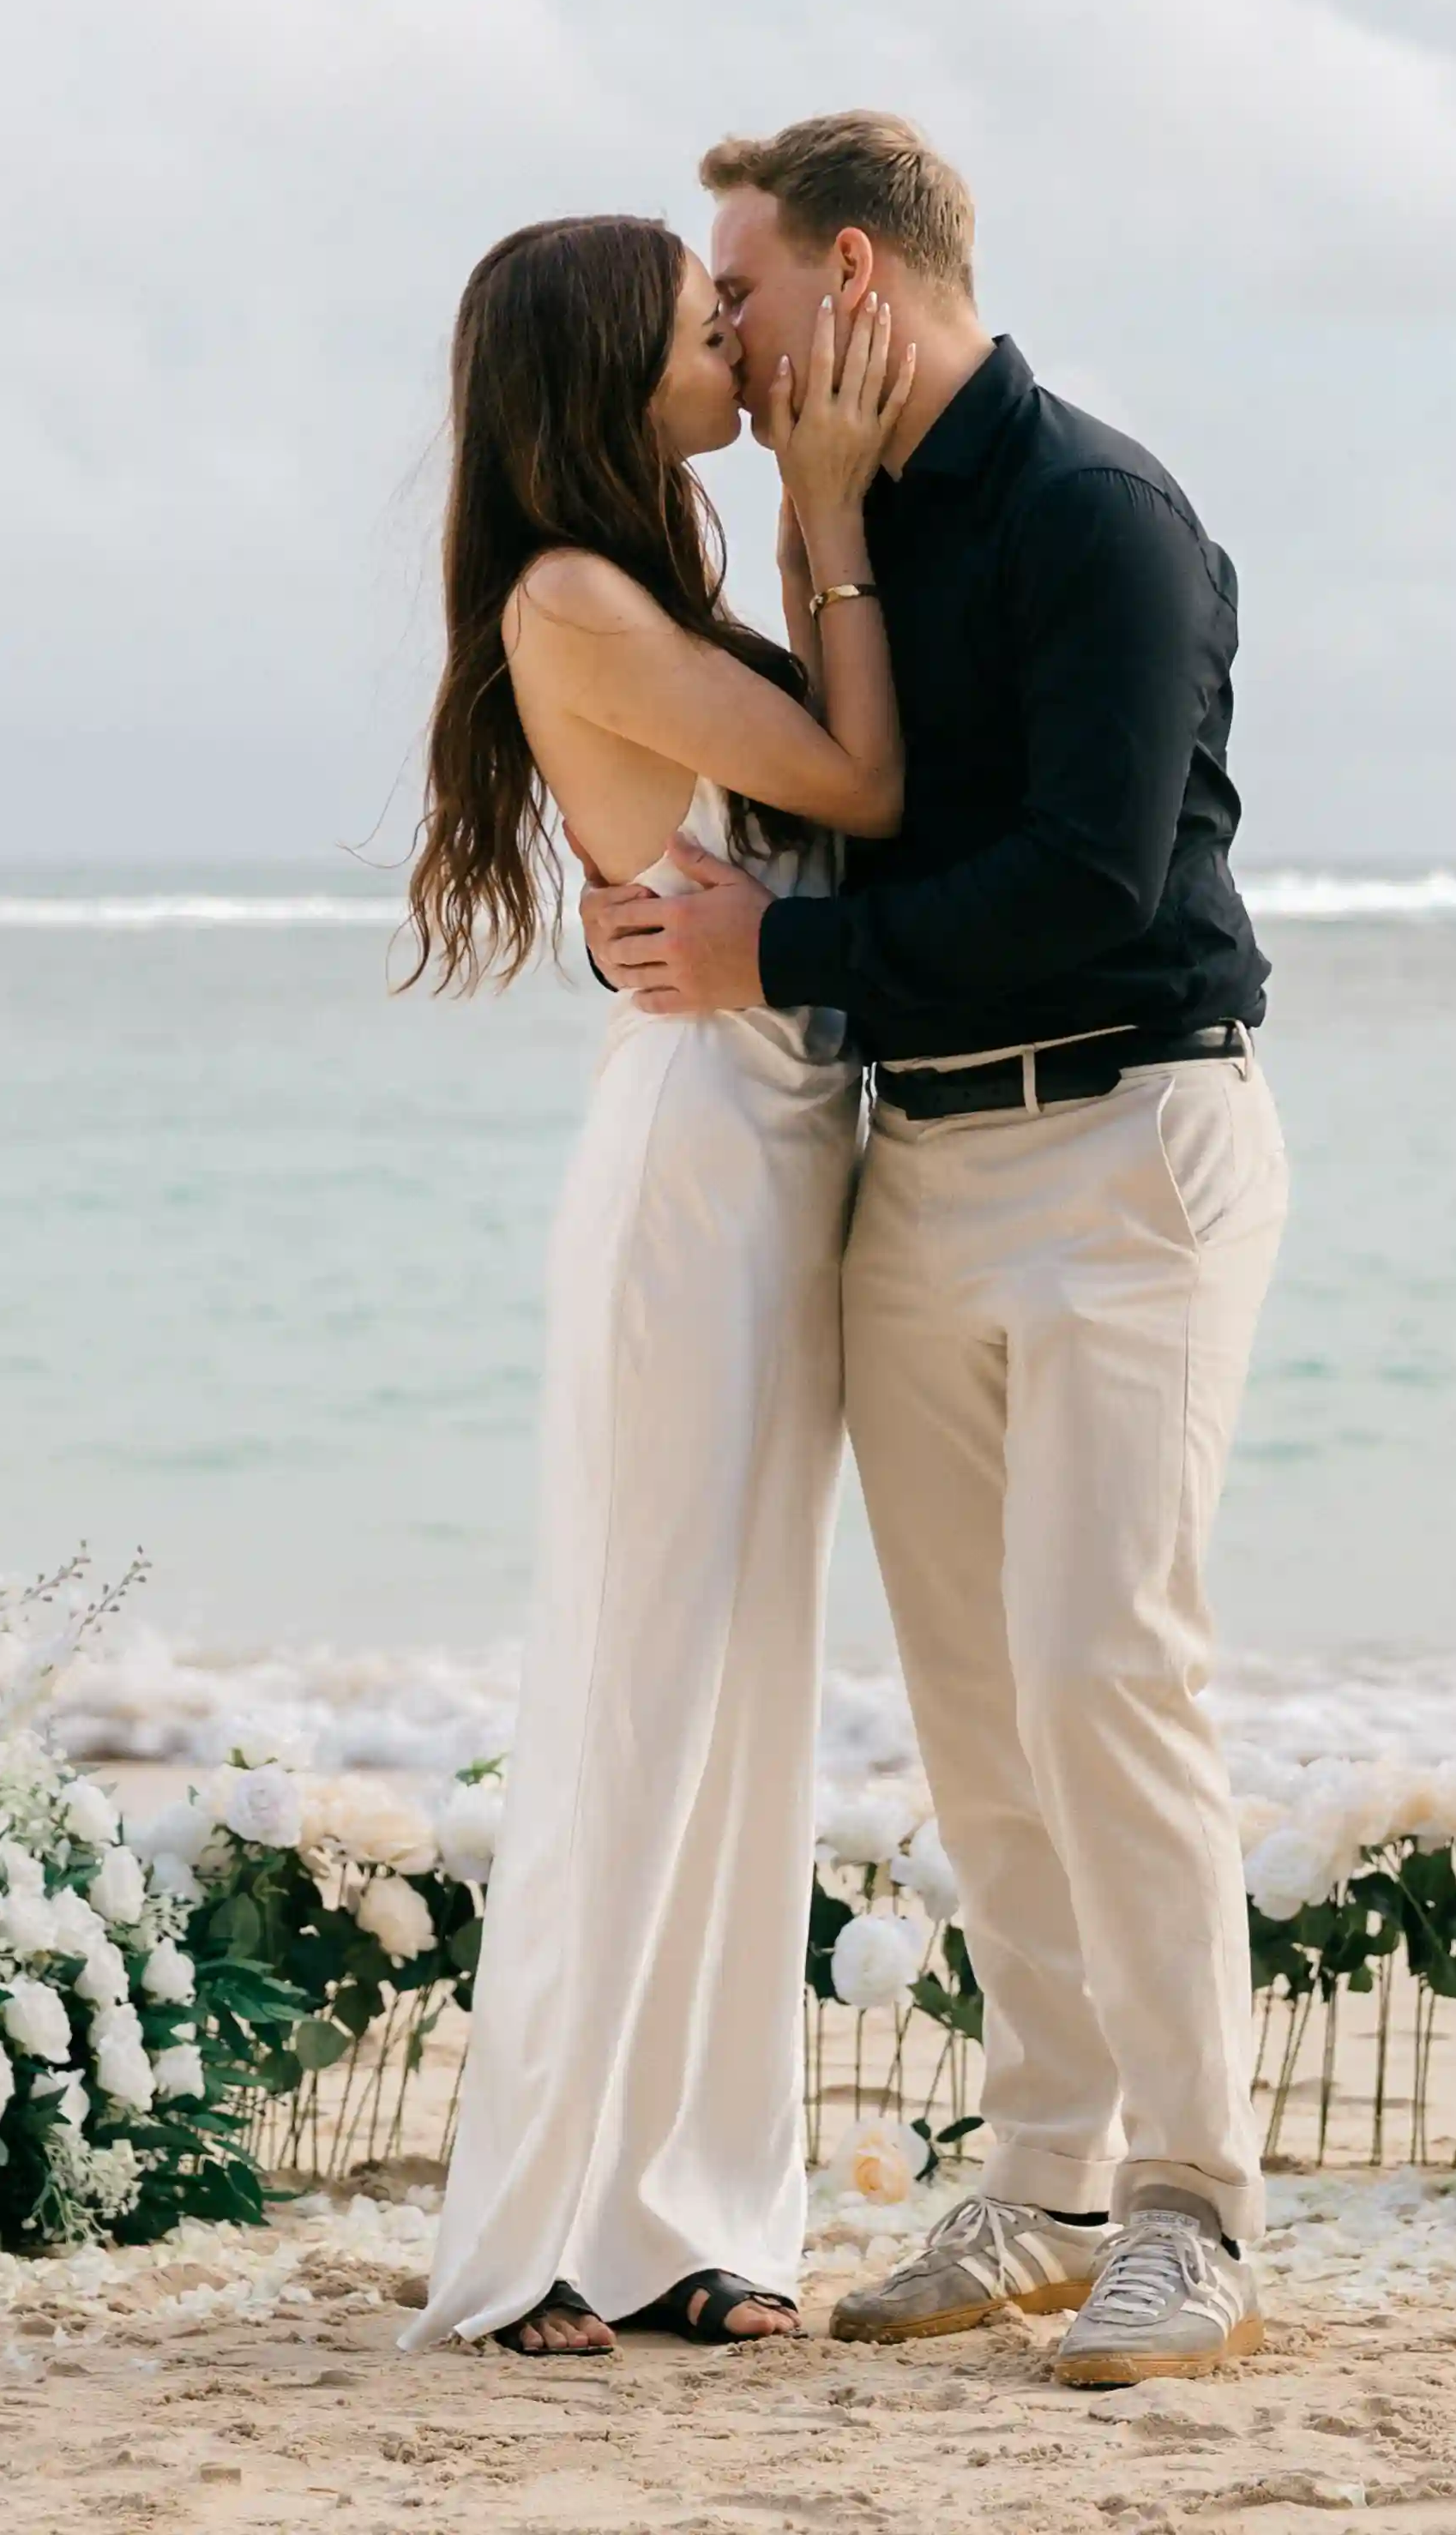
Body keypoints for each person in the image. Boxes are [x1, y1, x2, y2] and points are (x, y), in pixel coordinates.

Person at [590, 111, 1291, 2388]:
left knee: (1108, 1663)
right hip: (921, 1166)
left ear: (860, 275)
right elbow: (842, 780)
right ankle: (1048, 2169)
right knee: (979, 1710)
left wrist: (774, 948)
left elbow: (1091, 878)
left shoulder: (1104, 512)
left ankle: (1194, 2206)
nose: (724, 330)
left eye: (746, 289)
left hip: (1132, 1144)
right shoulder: (848, 522)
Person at [392, 212, 922, 2358]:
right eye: (698, 317)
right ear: (605, 373)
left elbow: (828, 824)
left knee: (747, 1693)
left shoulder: (653, 586)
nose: (736, 327)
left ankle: (691, 2214)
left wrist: (801, 528)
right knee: (638, 1684)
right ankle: (536, 2235)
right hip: (697, 1167)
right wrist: (825, 505)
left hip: (771, 1147)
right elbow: (865, 780)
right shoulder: (573, 594)